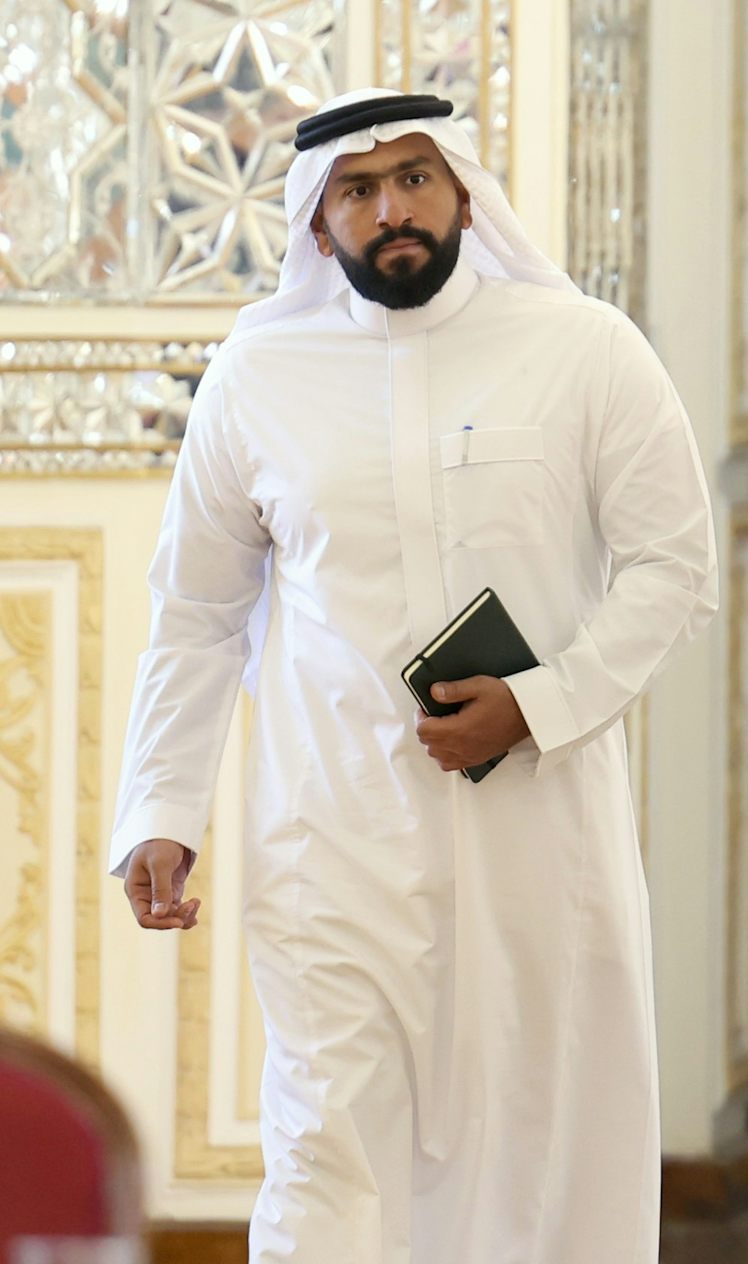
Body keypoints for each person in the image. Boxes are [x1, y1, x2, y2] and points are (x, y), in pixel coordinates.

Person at [110, 88, 717, 1262]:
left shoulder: (583, 349)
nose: (391, 208)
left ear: (463, 193)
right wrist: (160, 810)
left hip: (541, 847)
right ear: (315, 219)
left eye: (414, 179)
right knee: (328, 1154)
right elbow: (196, 610)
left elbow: (674, 567)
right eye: (358, 188)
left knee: (539, 1152)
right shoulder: (255, 375)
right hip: (332, 843)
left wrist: (540, 705)